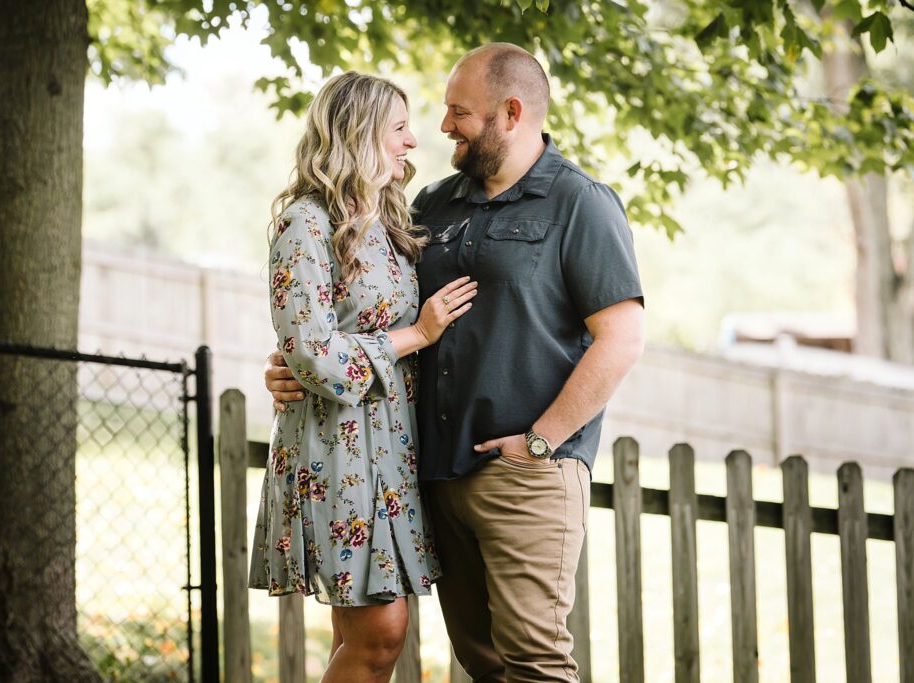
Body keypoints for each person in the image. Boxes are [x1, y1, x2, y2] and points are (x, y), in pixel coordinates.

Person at [267, 44, 645, 682]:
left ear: (511, 113)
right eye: (432, 115)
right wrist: (290, 366)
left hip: (524, 473)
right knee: (481, 662)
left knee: (536, 663)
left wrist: (541, 442)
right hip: (432, 473)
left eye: (458, 113)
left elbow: (622, 338)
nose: (439, 129)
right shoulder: (429, 208)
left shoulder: (579, 203)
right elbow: (347, 312)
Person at [247, 71, 478, 683]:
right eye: (398, 128)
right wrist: (418, 335)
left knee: (362, 637)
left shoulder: (391, 223)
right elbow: (313, 353)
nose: (412, 142)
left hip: (393, 454)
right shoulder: (305, 222)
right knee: (381, 634)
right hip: (335, 454)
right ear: (359, 133)